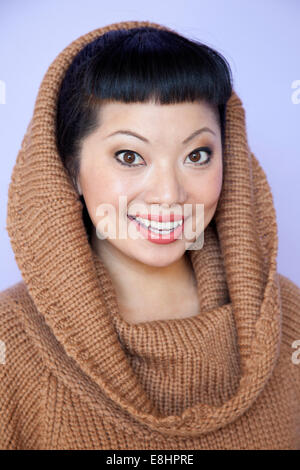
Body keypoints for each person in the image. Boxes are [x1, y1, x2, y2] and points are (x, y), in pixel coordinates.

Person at [1, 20, 300, 450]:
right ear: (70, 169)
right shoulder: (11, 340)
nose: (168, 195)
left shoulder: (287, 317)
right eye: (129, 156)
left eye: (197, 155)